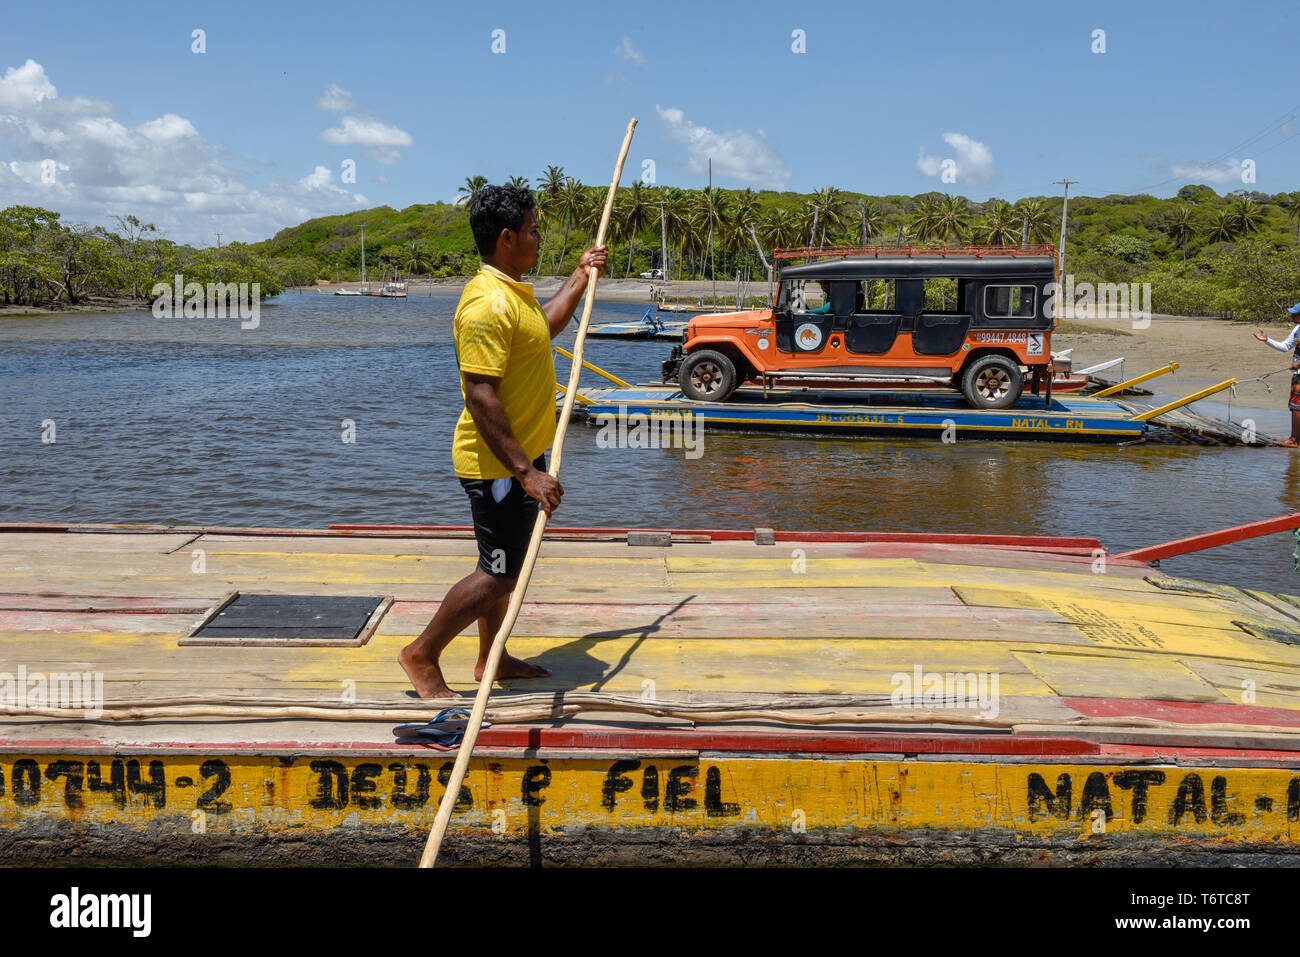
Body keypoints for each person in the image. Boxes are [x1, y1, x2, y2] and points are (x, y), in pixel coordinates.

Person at [399, 185, 607, 697]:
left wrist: (581, 275)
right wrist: (525, 472)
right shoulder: (488, 305)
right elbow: (480, 395)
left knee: (499, 563)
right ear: (507, 237)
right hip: (496, 465)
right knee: (500, 573)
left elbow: (544, 329)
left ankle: (493, 657)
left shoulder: (512, 293)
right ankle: (421, 654)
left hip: (516, 458)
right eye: (534, 231)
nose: (540, 239)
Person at [1253, 301, 1300, 448]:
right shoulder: (1297, 329)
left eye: (1295, 313)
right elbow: (1285, 346)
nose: (1292, 315)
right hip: (1297, 373)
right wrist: (1267, 340)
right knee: (1295, 406)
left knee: (1296, 406)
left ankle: (1294, 440)